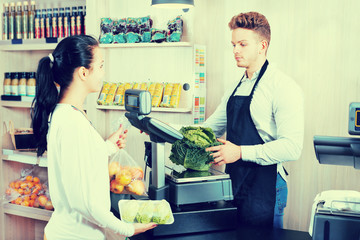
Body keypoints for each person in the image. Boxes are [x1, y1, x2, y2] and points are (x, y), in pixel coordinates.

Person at [31, 35, 156, 240]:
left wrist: (106, 147)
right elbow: (85, 202)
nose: (103, 72)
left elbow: (76, 163)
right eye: (100, 66)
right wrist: (128, 229)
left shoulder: (66, 112)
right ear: (83, 72)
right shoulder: (72, 122)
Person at [205, 12, 304, 228]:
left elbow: (292, 147)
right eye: (233, 44)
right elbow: (208, 129)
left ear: (262, 46)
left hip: (267, 188)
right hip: (233, 183)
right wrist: (158, 128)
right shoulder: (236, 86)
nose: (235, 51)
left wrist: (240, 152)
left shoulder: (283, 87)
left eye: (242, 44)